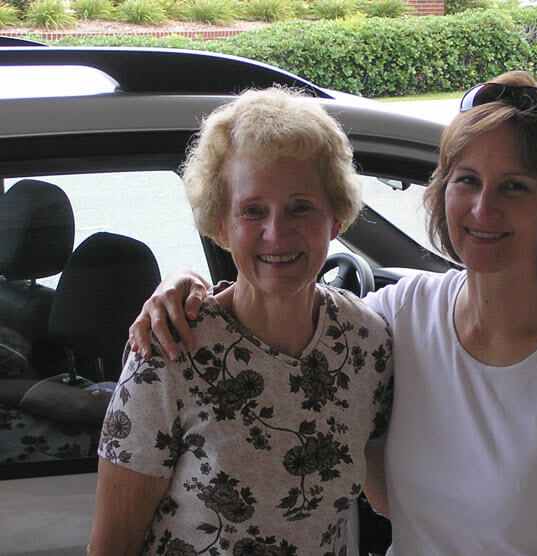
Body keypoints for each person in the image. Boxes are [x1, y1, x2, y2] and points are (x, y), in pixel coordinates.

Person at [128, 72, 537, 554]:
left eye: (515, 186)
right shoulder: (396, 319)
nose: (482, 209)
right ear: (443, 190)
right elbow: (285, 310)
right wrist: (185, 287)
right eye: (467, 180)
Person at [88, 88, 393, 555]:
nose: (277, 232)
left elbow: (389, 494)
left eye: (301, 207)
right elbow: (112, 547)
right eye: (253, 211)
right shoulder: (170, 349)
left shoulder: (366, 342)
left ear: (336, 217)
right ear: (219, 226)